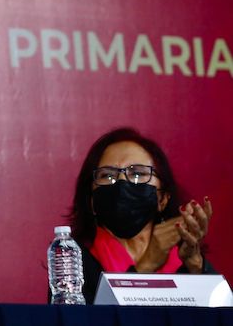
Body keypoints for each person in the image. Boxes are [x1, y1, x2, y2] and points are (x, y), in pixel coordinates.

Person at [67, 127, 214, 304]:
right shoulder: (73, 263)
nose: (121, 183)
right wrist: (148, 264)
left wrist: (197, 266)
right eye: (107, 175)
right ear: (92, 201)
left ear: (163, 199)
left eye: (137, 174)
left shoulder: (184, 261)